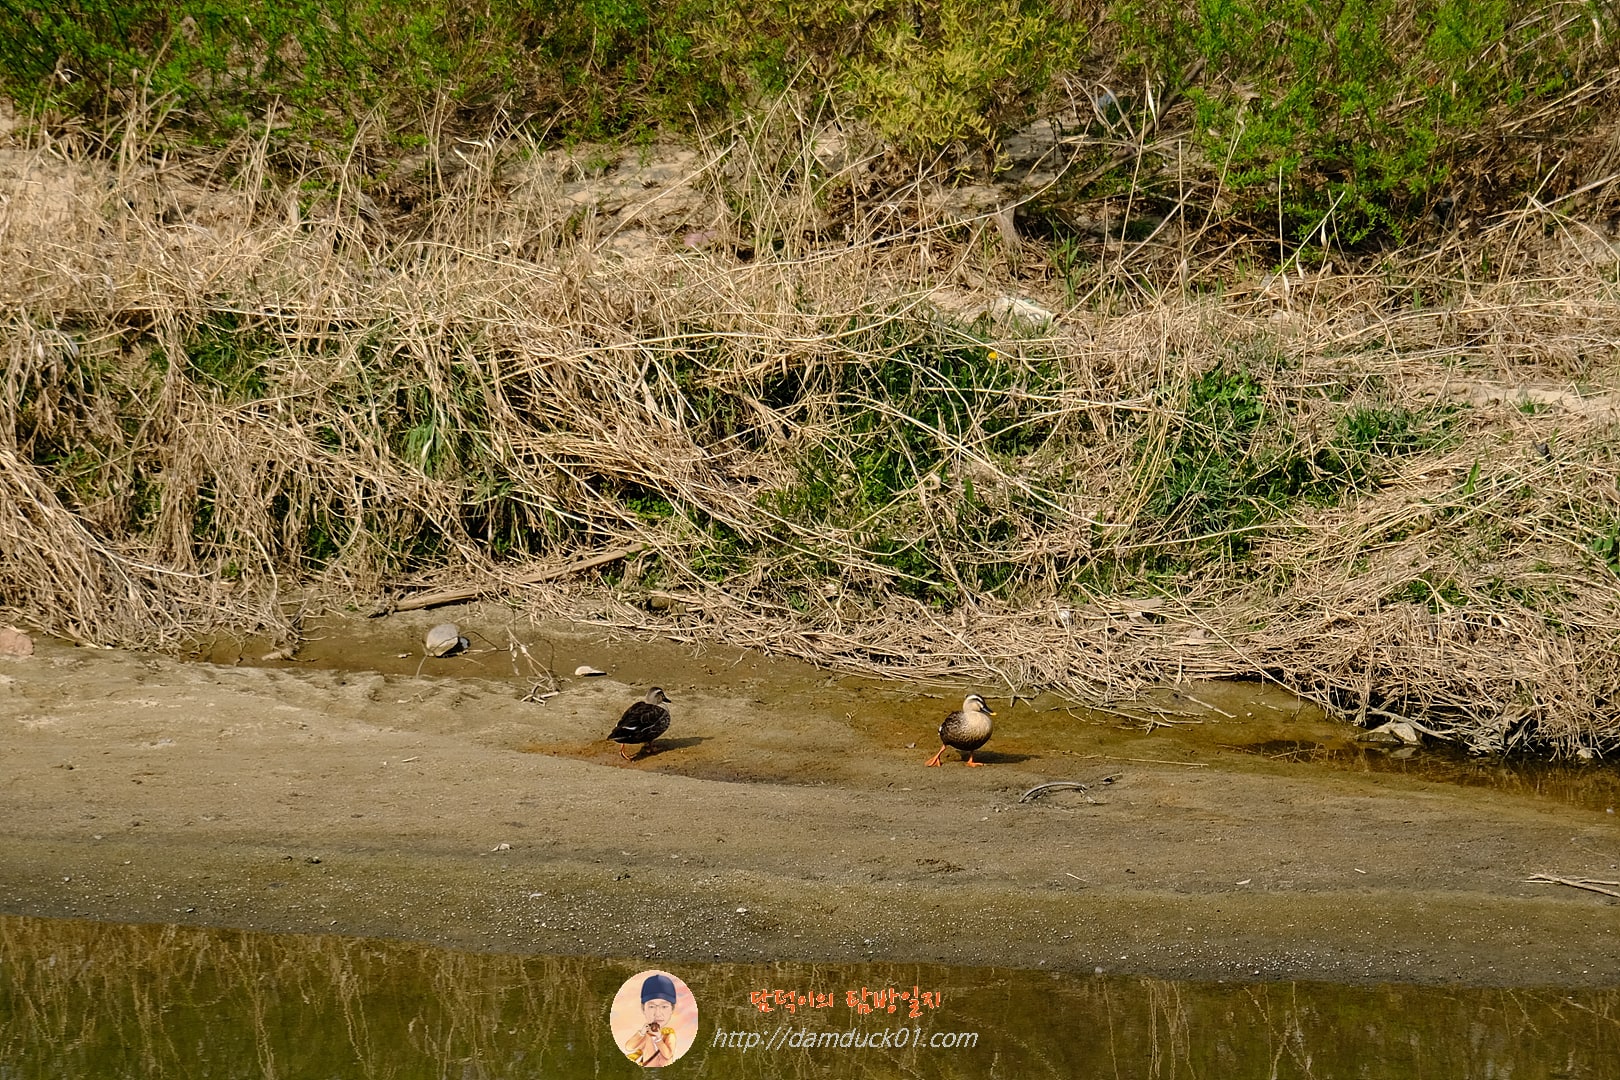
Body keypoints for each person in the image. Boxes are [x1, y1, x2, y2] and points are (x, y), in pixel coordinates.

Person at [624, 973, 679, 1067]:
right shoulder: (647, 1034)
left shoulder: (669, 1035)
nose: (657, 1013)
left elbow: (667, 1055)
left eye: (664, 1006)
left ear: (672, 1009)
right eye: (652, 1006)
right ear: (643, 1009)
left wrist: (659, 1039)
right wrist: (641, 1033)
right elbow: (629, 1047)